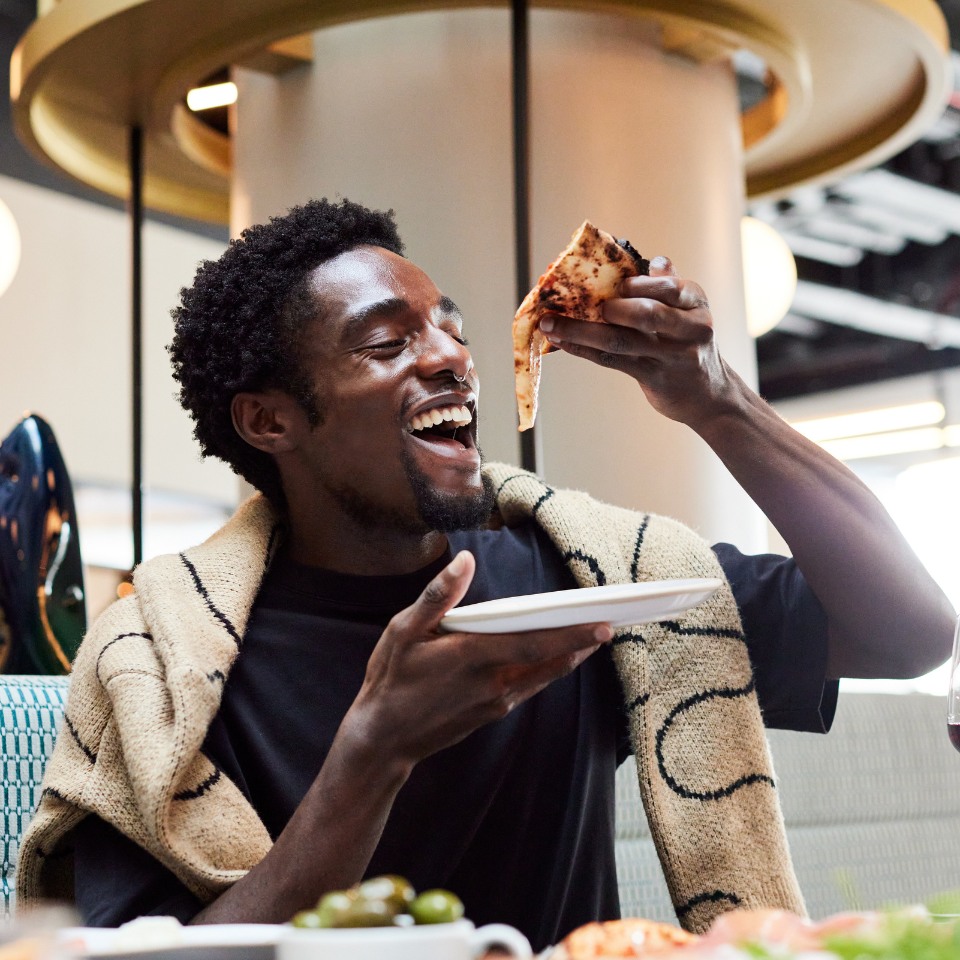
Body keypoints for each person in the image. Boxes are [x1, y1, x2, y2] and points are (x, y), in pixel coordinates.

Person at [17, 199, 954, 950]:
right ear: (270, 422)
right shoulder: (160, 663)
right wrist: (372, 756)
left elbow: (909, 635)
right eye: (387, 344)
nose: (450, 360)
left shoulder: (587, 582)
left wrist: (720, 400)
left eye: (452, 331)